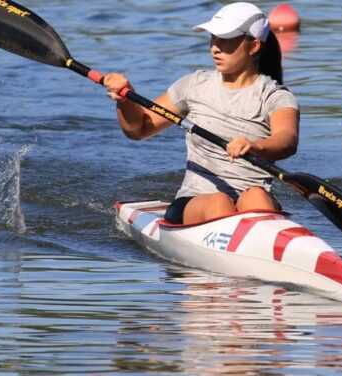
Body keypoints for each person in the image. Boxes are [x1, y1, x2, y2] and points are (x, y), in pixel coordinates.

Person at [103, 2, 299, 225]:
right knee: (219, 202)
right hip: (196, 200)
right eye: (214, 38)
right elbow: (139, 129)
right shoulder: (193, 86)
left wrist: (255, 146)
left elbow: (287, 140)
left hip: (252, 197)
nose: (215, 47)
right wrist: (125, 99)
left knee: (257, 197)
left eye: (227, 40)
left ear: (253, 46)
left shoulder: (275, 96)